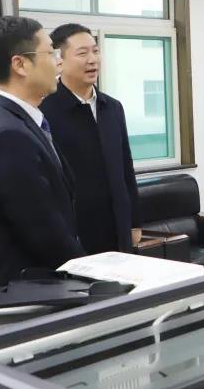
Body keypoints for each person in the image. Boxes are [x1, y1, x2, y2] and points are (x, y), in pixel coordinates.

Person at [0, 17, 85, 287]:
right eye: (50, 53)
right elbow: (43, 231)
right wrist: (93, 275)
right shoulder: (5, 135)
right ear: (20, 64)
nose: (58, 62)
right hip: (24, 293)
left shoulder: (20, 121)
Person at [40, 24, 141, 254]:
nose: (92, 60)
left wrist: (134, 221)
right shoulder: (46, 111)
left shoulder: (112, 107)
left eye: (95, 51)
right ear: (59, 60)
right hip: (76, 230)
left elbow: (126, 167)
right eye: (82, 53)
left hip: (117, 225)